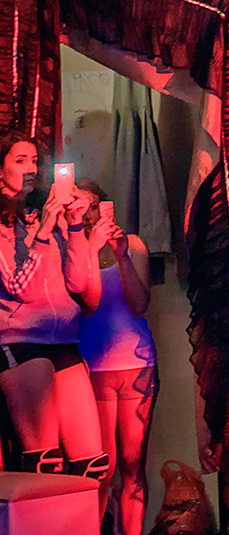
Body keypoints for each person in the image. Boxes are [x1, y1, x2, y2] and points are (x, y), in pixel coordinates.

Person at [0, 131, 110, 483]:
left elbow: (78, 284)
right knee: (45, 463)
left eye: (35, 161)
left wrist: (74, 226)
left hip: (64, 339)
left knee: (93, 466)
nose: (30, 168)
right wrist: (44, 234)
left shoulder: (43, 213)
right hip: (22, 339)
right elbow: (18, 287)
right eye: (20, 161)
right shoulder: (4, 223)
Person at [76, 179, 156, 535]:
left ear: (104, 206)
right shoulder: (71, 250)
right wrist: (88, 249)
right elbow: (86, 305)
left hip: (137, 364)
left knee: (133, 464)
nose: (89, 215)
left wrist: (122, 256)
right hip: (94, 365)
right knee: (102, 470)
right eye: (81, 208)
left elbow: (139, 305)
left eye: (94, 206)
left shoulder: (133, 245)